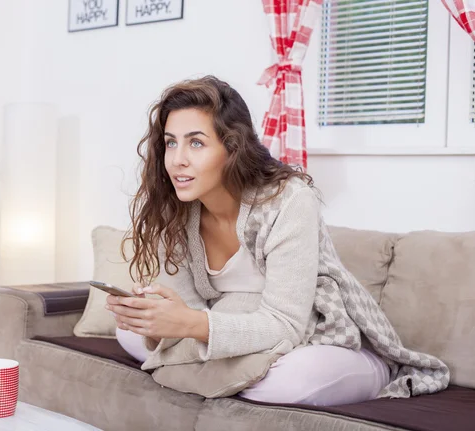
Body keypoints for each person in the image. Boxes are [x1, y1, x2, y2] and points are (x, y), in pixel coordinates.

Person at [105, 75, 449, 406]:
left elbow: (285, 322)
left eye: (196, 142)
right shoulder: (175, 210)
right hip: (234, 333)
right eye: (170, 142)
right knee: (129, 334)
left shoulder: (289, 200)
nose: (177, 159)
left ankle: (216, 374)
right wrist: (155, 319)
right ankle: (230, 375)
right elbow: (190, 312)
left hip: (314, 336)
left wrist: (187, 325)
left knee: (292, 379)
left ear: (232, 148)